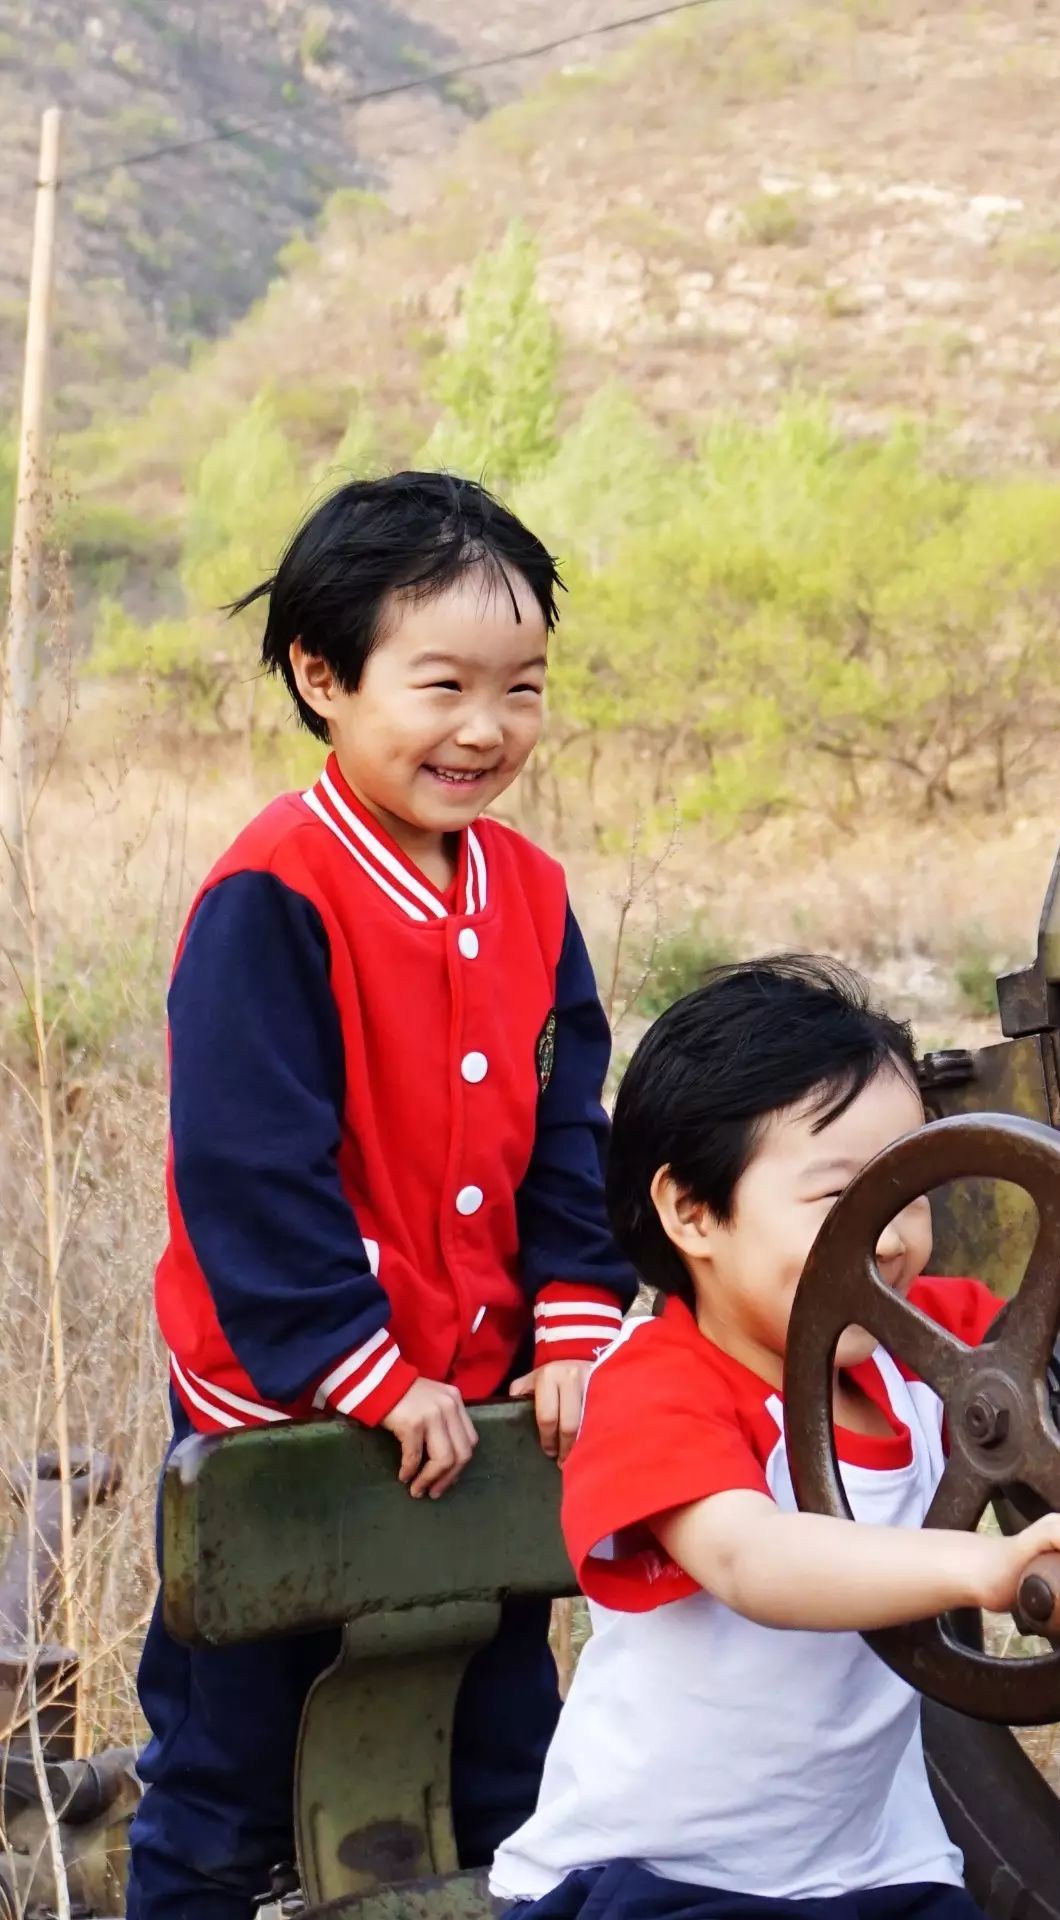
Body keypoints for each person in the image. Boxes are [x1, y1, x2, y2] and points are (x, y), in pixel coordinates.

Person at [491, 956, 1060, 1920]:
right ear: (692, 1211)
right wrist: (984, 1568)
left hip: (876, 1873)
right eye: (840, 1203)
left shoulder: (924, 1350)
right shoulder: (652, 1384)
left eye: (909, 1189)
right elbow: (750, 1557)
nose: (892, 1237)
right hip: (659, 1881)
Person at [127, 472, 635, 1920]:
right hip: (292, 1417)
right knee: (228, 1777)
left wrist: (574, 1327)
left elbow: (564, 1133)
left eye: (523, 688)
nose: (486, 727)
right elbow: (248, 1170)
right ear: (322, 675)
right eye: (443, 685)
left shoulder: (530, 894)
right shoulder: (274, 893)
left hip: (480, 1419)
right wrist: (364, 1369)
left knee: (500, 1763)